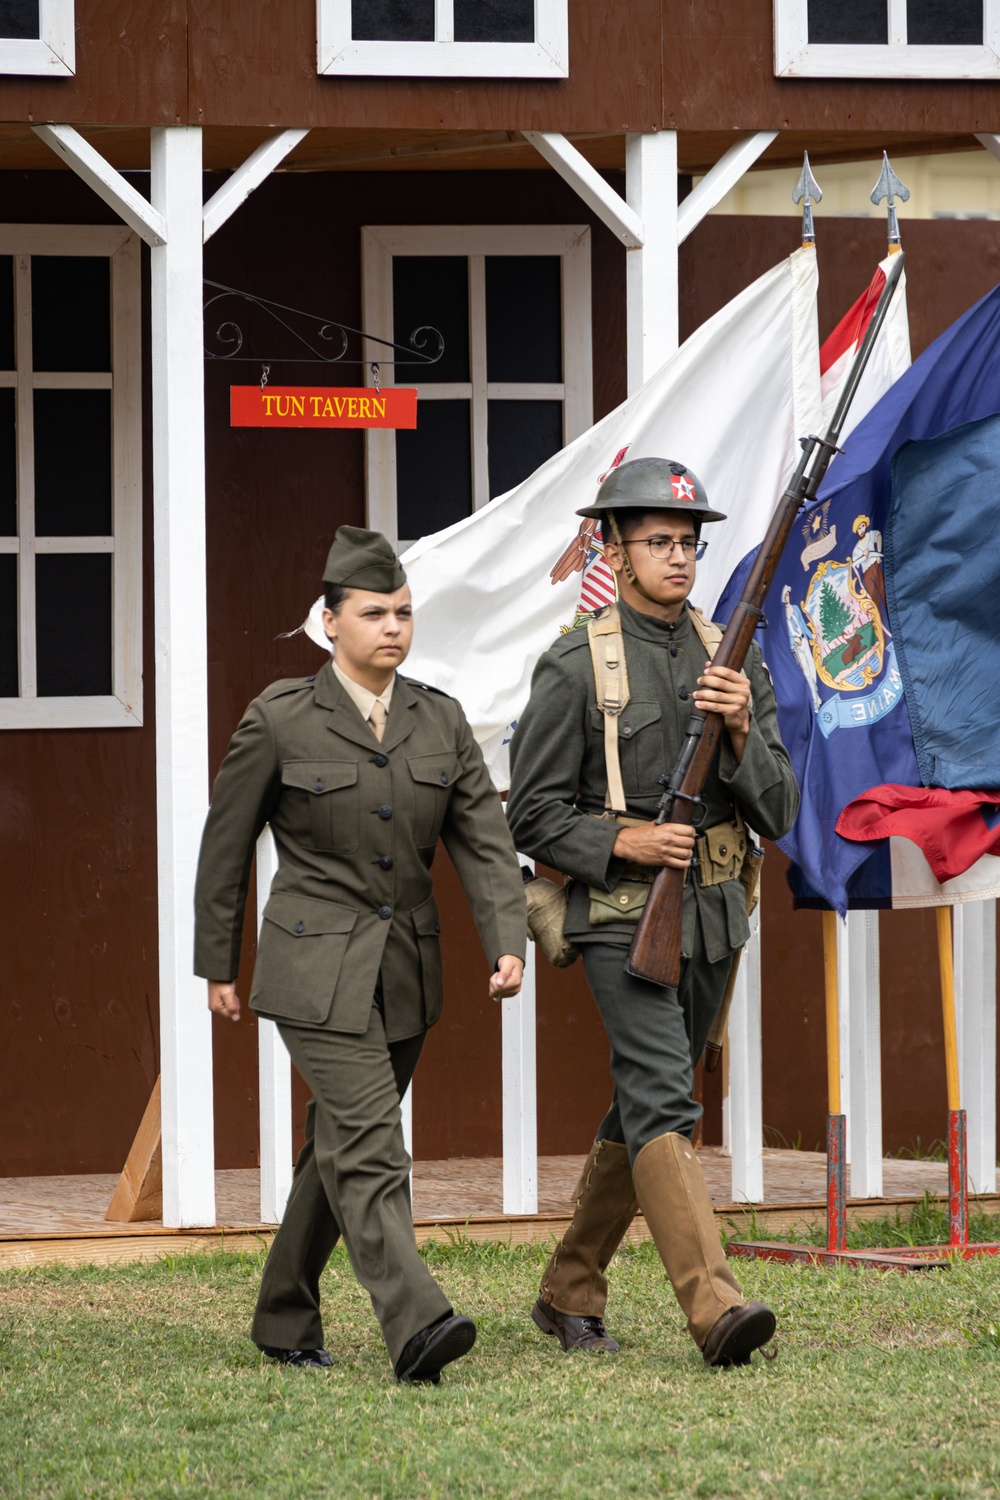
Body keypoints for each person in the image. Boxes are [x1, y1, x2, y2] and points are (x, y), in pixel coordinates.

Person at [194, 526, 527, 1383]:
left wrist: (507, 941)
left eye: (404, 612)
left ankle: (282, 1316)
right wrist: (217, 965)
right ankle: (417, 1322)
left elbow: (483, 841)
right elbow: (224, 847)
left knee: (337, 1148)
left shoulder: (439, 719)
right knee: (374, 1143)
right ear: (330, 622)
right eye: (373, 612)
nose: (392, 627)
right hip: (312, 971)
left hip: (408, 969)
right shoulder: (279, 719)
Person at [506, 458, 799, 1368]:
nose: (679, 557)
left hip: (712, 914)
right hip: (621, 919)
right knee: (666, 1099)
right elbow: (531, 812)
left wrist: (744, 733)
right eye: (659, 542)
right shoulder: (573, 660)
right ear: (615, 549)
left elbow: (781, 811)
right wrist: (625, 843)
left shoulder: (732, 656)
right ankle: (715, 1307)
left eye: (689, 542)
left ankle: (569, 1291)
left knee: (649, 1106)